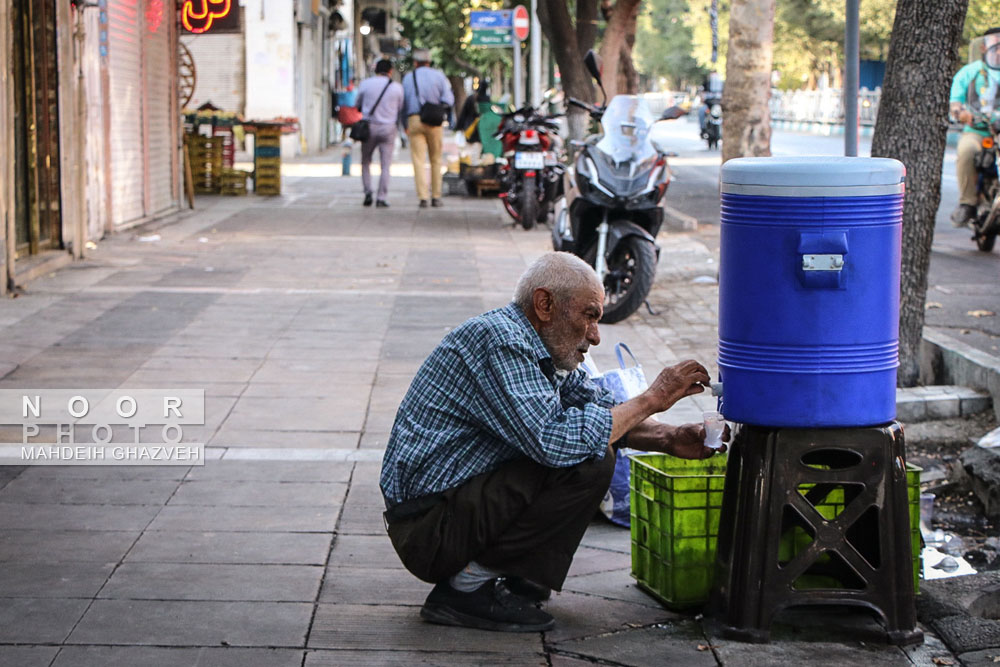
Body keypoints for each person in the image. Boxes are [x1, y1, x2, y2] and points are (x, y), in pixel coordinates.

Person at [379, 252, 722, 633]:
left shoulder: (540, 349)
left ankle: (510, 578)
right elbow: (557, 440)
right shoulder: (501, 342)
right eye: (589, 316)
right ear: (545, 305)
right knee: (589, 460)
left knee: (591, 444)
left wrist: (669, 437)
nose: (595, 335)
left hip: (450, 512)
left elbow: (599, 407)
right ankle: (465, 589)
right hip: (429, 530)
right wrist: (652, 398)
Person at [950, 27, 1000, 228]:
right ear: (983, 47)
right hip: (978, 131)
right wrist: (961, 113)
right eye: (995, 44)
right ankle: (968, 203)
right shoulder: (969, 73)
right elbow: (955, 102)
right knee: (967, 151)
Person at [401, 48, 455, 208]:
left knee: (418, 160)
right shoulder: (439, 76)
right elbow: (449, 100)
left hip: (415, 119)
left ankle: (423, 197)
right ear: (429, 62)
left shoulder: (408, 78)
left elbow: (403, 103)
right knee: (436, 159)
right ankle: (436, 197)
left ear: (415, 63)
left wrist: (404, 124)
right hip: (434, 120)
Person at [356, 59, 405, 208]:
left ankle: (368, 192)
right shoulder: (397, 88)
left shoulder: (365, 84)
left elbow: (357, 104)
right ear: (391, 71)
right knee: (385, 165)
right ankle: (381, 197)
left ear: (376, 69)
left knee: (365, 161)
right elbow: (400, 108)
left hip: (369, 127)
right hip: (388, 128)